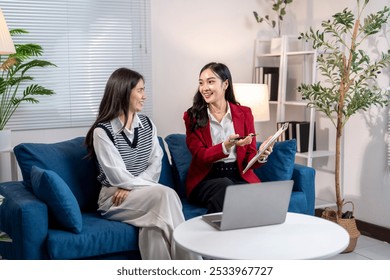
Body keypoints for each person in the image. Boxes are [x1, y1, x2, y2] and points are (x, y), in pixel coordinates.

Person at [85, 67, 199, 260]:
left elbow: (156, 162)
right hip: (114, 199)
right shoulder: (102, 132)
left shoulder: (147, 124)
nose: (144, 96)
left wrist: (131, 188)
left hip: (137, 192)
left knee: (152, 228)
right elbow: (116, 176)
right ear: (123, 92)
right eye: (140, 90)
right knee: (166, 194)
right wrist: (131, 186)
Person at [183, 62, 273, 214]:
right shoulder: (192, 116)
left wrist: (261, 155)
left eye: (210, 82)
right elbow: (200, 156)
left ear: (225, 84)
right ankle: (217, 235)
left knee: (257, 196)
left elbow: (249, 158)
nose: (204, 88)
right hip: (206, 179)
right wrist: (226, 145)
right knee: (226, 187)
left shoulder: (244, 113)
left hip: (238, 175)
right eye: (201, 83)